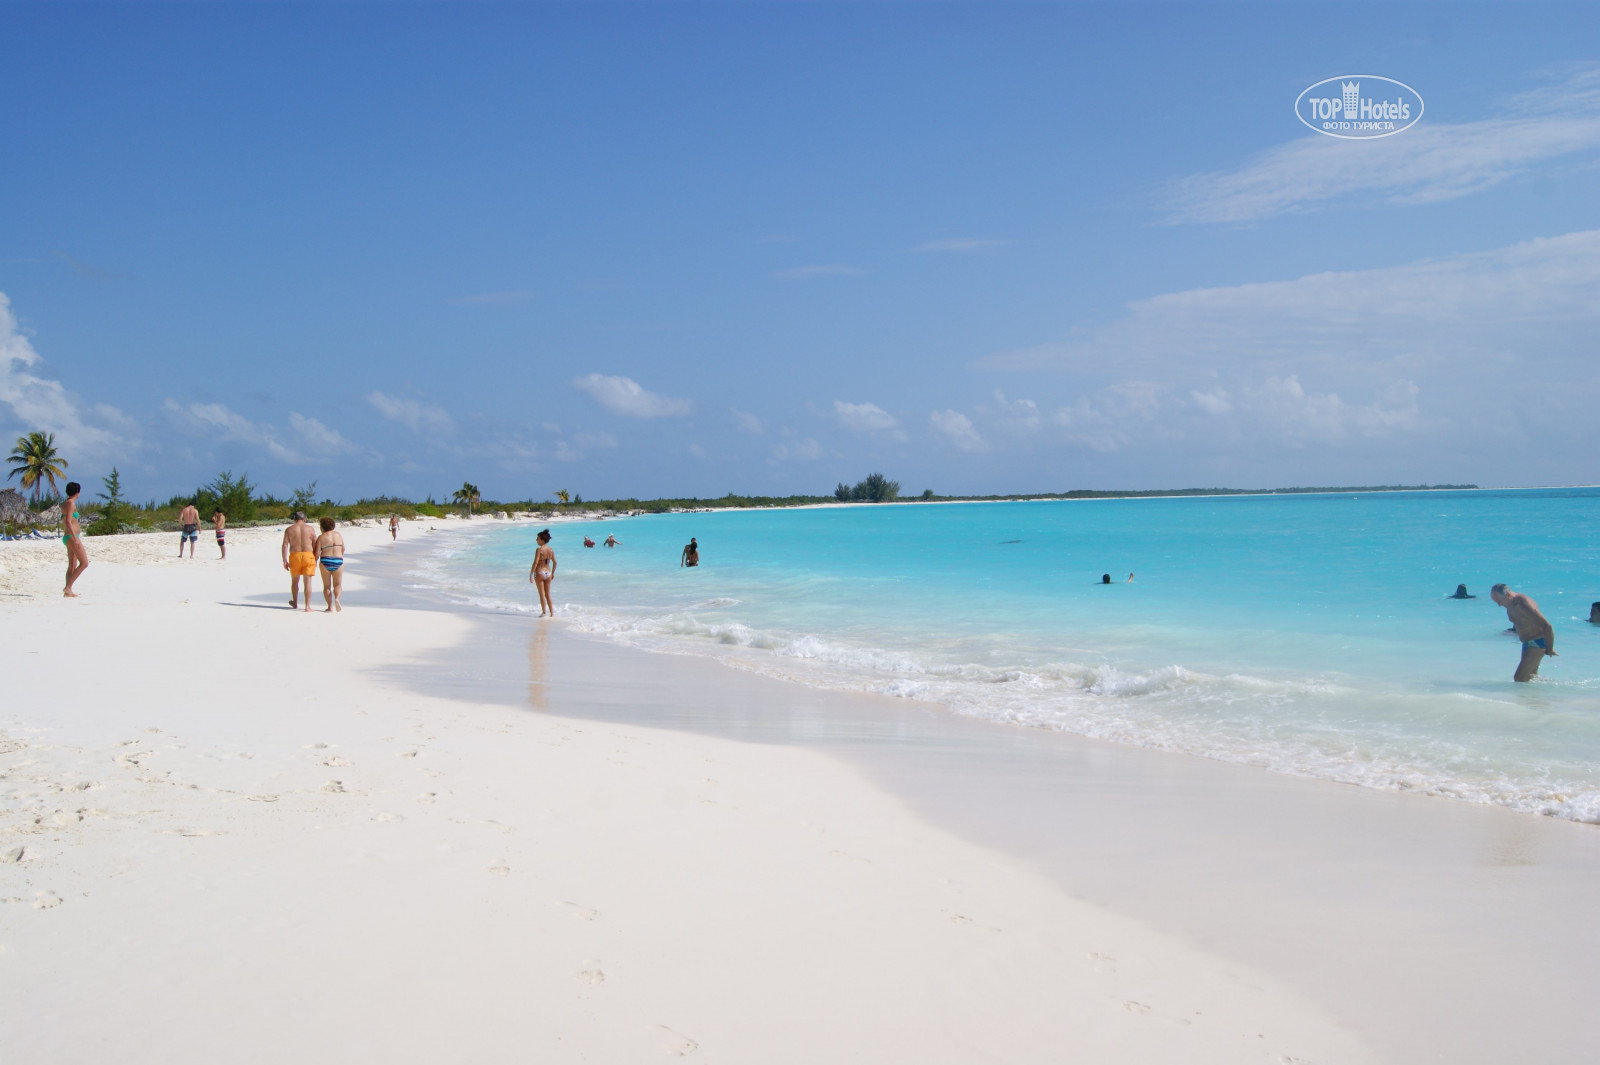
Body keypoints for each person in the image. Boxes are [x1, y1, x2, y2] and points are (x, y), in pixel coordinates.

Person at [1490, 583, 1557, 682]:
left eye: (1499, 601)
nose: (1499, 605)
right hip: (1527, 643)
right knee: (1531, 678)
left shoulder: (1522, 603)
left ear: (1508, 594)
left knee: (1519, 677)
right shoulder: (1510, 604)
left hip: (1537, 641)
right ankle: (1539, 696)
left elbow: (1547, 626)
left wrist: (1550, 648)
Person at [281, 511, 319, 612]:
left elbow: (285, 545)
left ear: (294, 519)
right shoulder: (310, 529)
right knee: (307, 582)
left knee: (295, 581)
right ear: (305, 519)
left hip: (295, 555)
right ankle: (307, 606)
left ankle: (295, 602)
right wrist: (315, 557)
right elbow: (315, 543)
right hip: (308, 555)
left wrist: (284, 560)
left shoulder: (289, 529)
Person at [61, 481, 88, 597]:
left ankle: (68, 591)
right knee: (84, 563)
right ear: (77, 492)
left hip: (68, 537)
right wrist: (75, 538)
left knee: (72, 565)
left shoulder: (65, 503)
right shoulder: (71, 504)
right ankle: (67, 588)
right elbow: (67, 521)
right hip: (72, 537)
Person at [316, 517, 345, 613]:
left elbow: (316, 553)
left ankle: (329, 606)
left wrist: (314, 562)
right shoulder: (339, 535)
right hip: (338, 560)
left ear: (322, 527)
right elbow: (343, 549)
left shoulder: (321, 537)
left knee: (326, 586)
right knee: (338, 584)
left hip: (325, 560)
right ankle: (337, 599)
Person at [529, 529, 556, 617]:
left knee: (542, 594)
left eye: (537, 538)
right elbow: (555, 562)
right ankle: (552, 613)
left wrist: (531, 574)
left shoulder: (539, 550)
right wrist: (553, 573)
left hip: (540, 572)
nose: (536, 540)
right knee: (548, 594)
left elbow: (535, 562)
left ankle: (544, 613)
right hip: (548, 572)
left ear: (542, 540)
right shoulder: (551, 550)